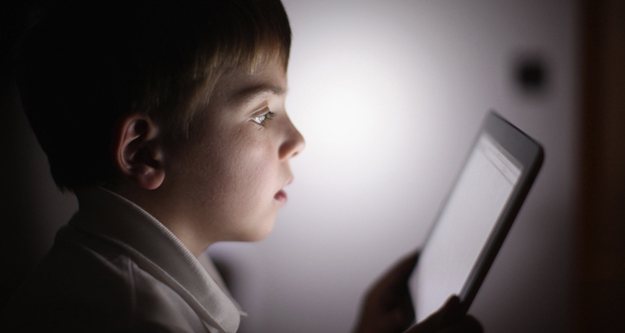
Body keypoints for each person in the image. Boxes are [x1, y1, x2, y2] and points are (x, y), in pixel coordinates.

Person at [1, 0, 482, 332]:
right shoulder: (133, 320)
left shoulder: (127, 271)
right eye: (262, 114)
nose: (296, 140)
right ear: (143, 153)